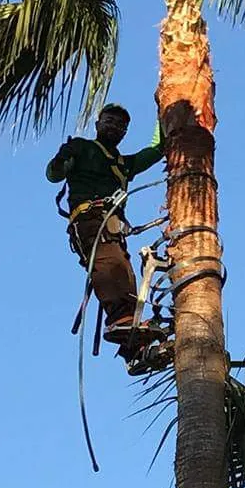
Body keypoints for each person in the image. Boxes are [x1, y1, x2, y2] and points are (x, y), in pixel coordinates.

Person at [46, 103, 166, 365]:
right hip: (90, 221)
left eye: (121, 125)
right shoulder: (81, 147)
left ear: (125, 132)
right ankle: (121, 321)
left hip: (111, 227)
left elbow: (158, 149)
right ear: (98, 123)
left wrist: (163, 111)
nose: (114, 127)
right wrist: (61, 160)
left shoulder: (124, 164)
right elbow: (53, 176)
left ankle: (135, 351)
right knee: (110, 266)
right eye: (109, 120)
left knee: (125, 273)